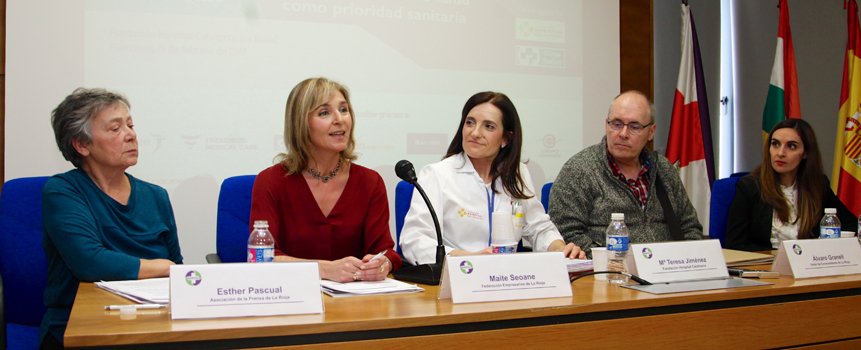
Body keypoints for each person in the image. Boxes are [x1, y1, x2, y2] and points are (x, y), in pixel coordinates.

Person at [41, 88, 183, 349]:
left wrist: (172, 270)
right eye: (115, 129)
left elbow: (176, 264)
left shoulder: (156, 195)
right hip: (82, 324)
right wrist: (163, 267)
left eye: (130, 125)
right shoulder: (62, 191)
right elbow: (90, 262)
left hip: (155, 322)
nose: (131, 135)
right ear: (81, 144)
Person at [400, 92, 586, 265]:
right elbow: (413, 240)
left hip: (507, 279)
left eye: (488, 126)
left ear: (506, 138)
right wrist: (470, 259)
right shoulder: (437, 174)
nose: (475, 132)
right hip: (459, 275)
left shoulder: (517, 173)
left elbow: (539, 227)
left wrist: (561, 249)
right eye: (470, 122)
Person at [249, 77, 400, 283]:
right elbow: (262, 259)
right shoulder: (270, 181)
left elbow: (383, 250)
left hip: (354, 304)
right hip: (289, 297)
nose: (340, 119)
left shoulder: (370, 182)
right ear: (301, 123)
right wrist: (326, 270)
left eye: (344, 110)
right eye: (324, 112)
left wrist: (382, 265)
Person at [548, 91, 704, 258]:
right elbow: (566, 235)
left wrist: (687, 260)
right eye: (616, 124)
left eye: (634, 127)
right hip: (608, 273)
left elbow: (690, 227)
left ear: (651, 132)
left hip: (668, 269)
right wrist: (619, 262)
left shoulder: (663, 169)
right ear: (606, 125)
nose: (623, 134)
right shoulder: (579, 170)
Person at [726, 119, 856, 251]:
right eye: (775, 144)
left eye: (791, 146)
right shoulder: (750, 187)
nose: (780, 153)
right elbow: (735, 245)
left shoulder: (817, 185)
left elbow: (852, 226)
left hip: (807, 265)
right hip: (765, 266)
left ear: (805, 153)